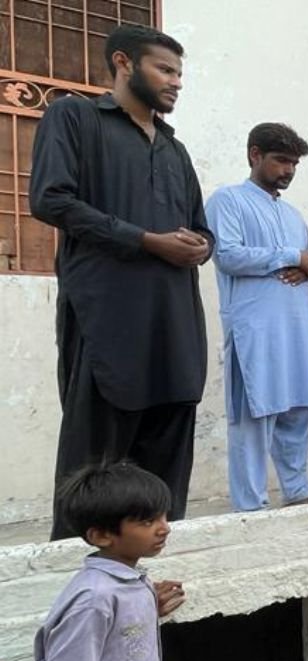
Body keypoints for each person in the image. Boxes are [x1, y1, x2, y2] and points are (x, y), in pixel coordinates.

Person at [30, 25, 213, 539]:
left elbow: (201, 226)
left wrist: (203, 245)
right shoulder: (75, 117)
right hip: (107, 320)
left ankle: (150, 578)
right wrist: (147, 241)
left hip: (175, 323)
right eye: (165, 69)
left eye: (180, 73)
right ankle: (78, 588)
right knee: (95, 464)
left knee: (166, 463)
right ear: (123, 63)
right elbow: (51, 200)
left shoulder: (174, 150)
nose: (176, 82)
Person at [206, 123, 308, 512]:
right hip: (254, 329)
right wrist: (291, 257)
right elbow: (228, 256)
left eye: (294, 164)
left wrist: (306, 267)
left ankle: (297, 490)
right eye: (281, 160)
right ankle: (250, 507)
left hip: (297, 326)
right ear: (255, 155)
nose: (288, 170)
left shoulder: (292, 215)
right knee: (255, 416)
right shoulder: (229, 201)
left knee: (299, 407)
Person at [35, 462, 186, 661]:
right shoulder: (94, 600)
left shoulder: (131, 584)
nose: (165, 527)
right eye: (148, 521)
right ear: (102, 536)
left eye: (163, 515)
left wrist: (147, 609)